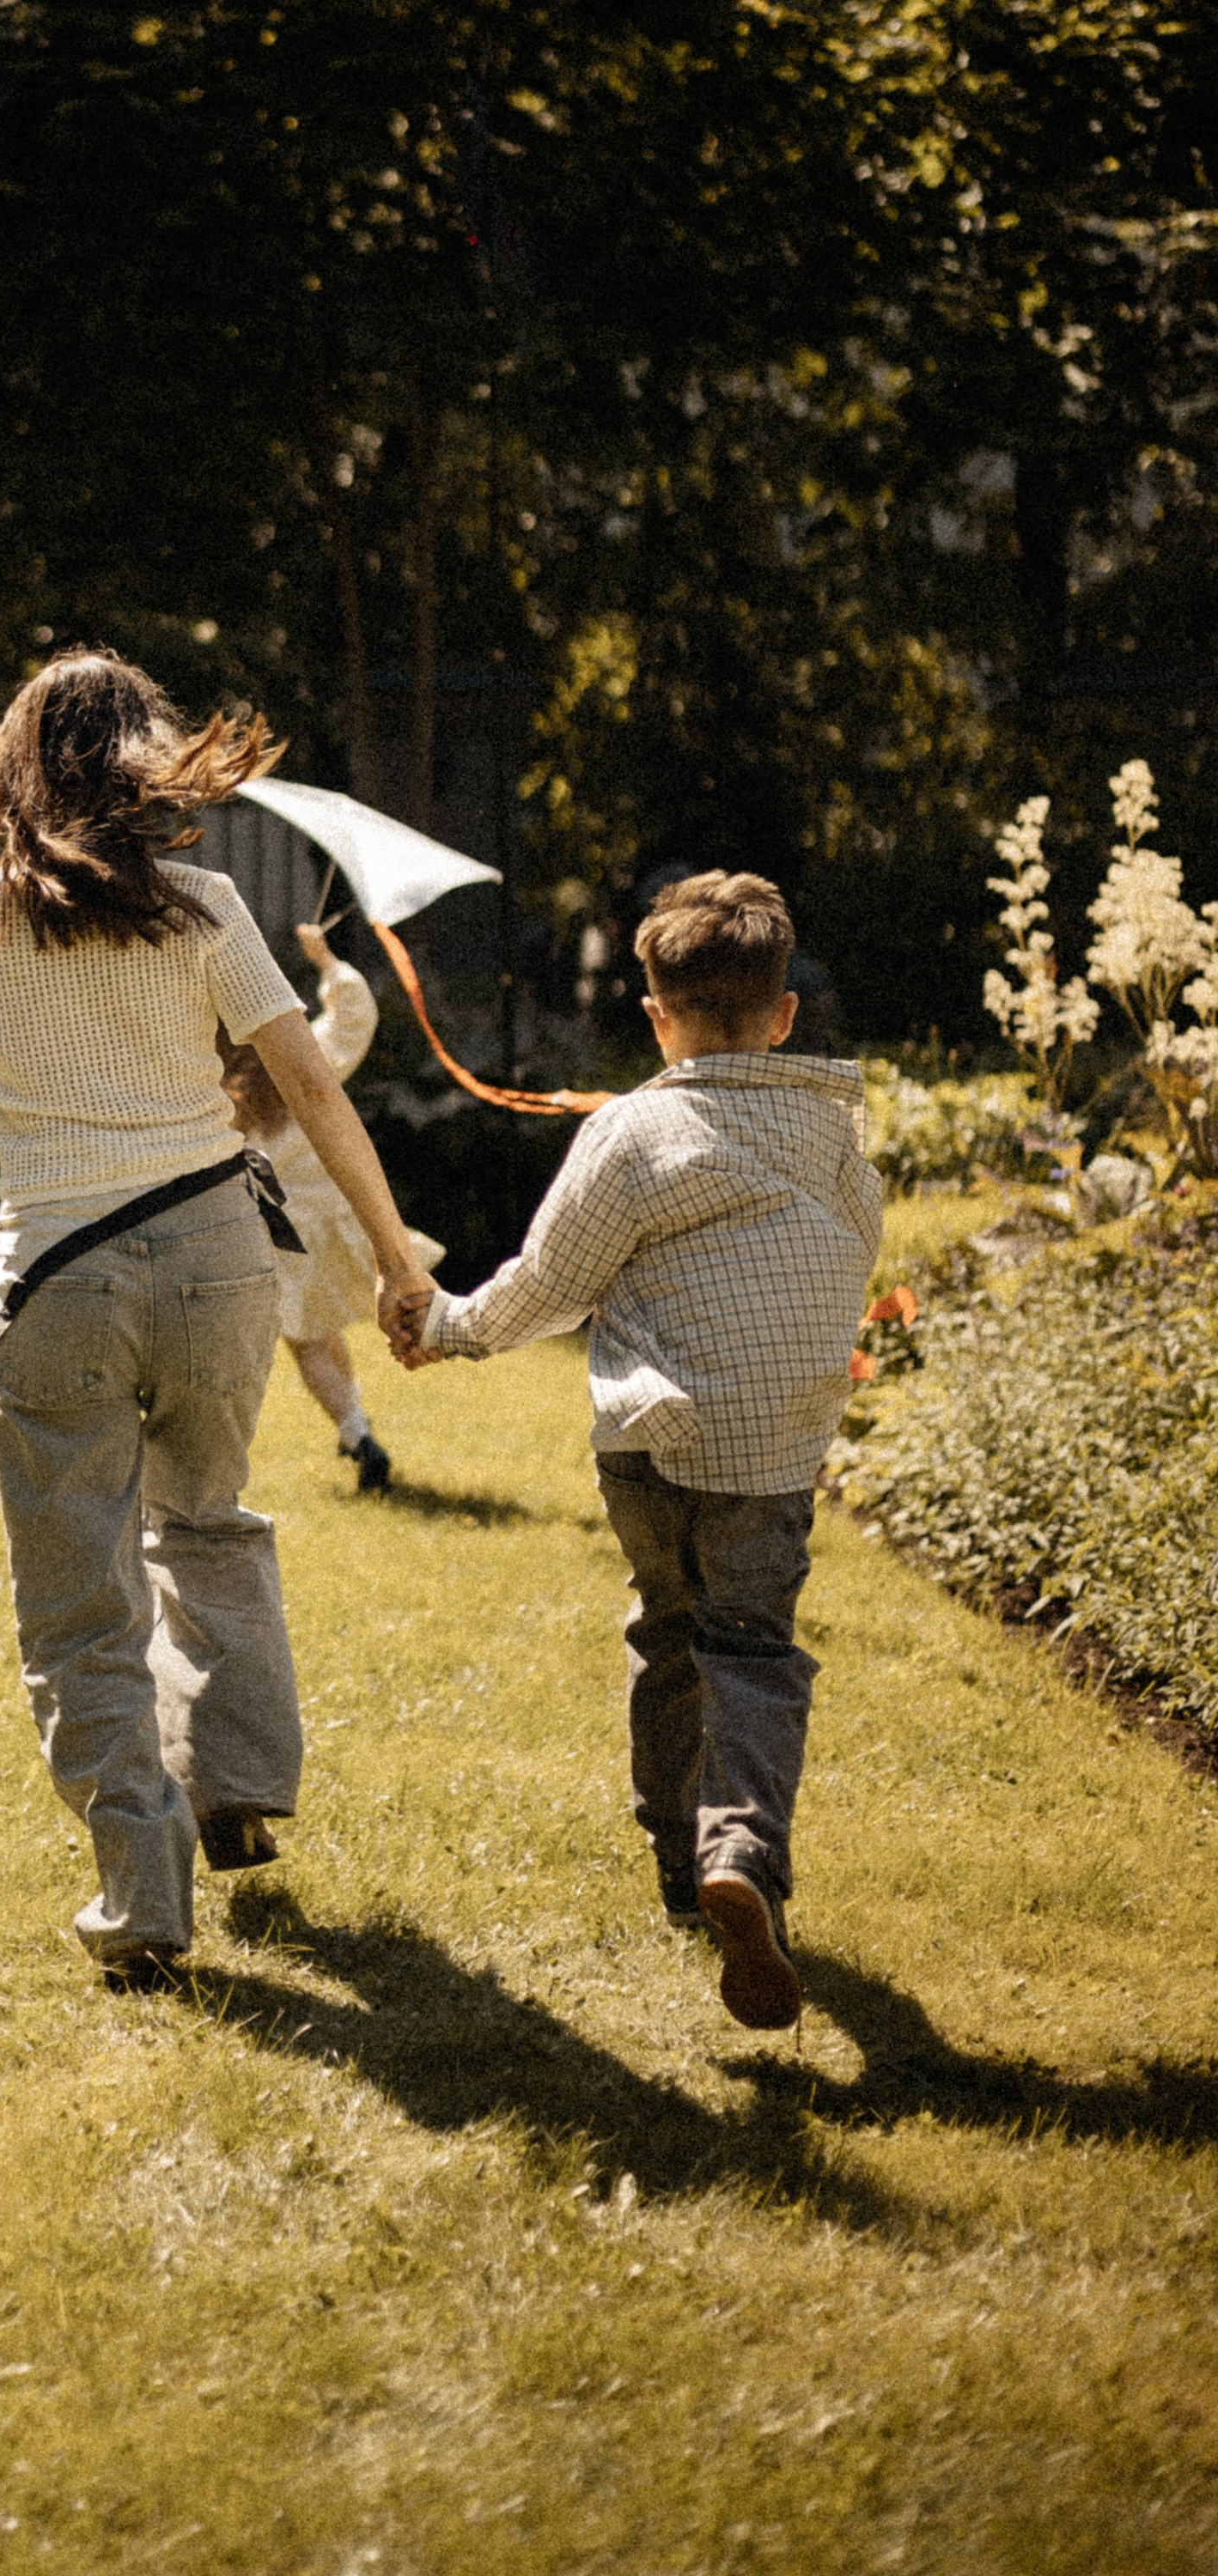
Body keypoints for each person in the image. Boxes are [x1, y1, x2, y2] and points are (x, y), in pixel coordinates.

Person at [0, 651, 435, 1995]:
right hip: (221, 1259)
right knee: (209, 1519)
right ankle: (240, 1790)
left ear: (14, 769)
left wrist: (43, 1097)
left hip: (59, 1275)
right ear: (148, 762)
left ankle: (140, 1894)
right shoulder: (207, 909)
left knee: (78, 1596)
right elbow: (315, 1094)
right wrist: (395, 1261)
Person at [391, 871, 882, 2032]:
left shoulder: (633, 1131)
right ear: (785, 1013)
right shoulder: (833, 1131)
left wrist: (444, 1328)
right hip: (771, 1455)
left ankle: (679, 1864)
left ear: (655, 1017)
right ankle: (741, 1856)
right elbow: (856, 1249)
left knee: (667, 1631)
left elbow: (551, 1286)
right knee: (752, 1652)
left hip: (654, 1451)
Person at [221, 920, 442, 1498]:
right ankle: (356, 1429)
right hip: (337, 1222)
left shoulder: (221, 1090)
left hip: (282, 1233)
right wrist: (325, 961)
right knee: (322, 1330)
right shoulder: (303, 1058)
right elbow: (354, 1017)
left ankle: (358, 1433)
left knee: (309, 1342)